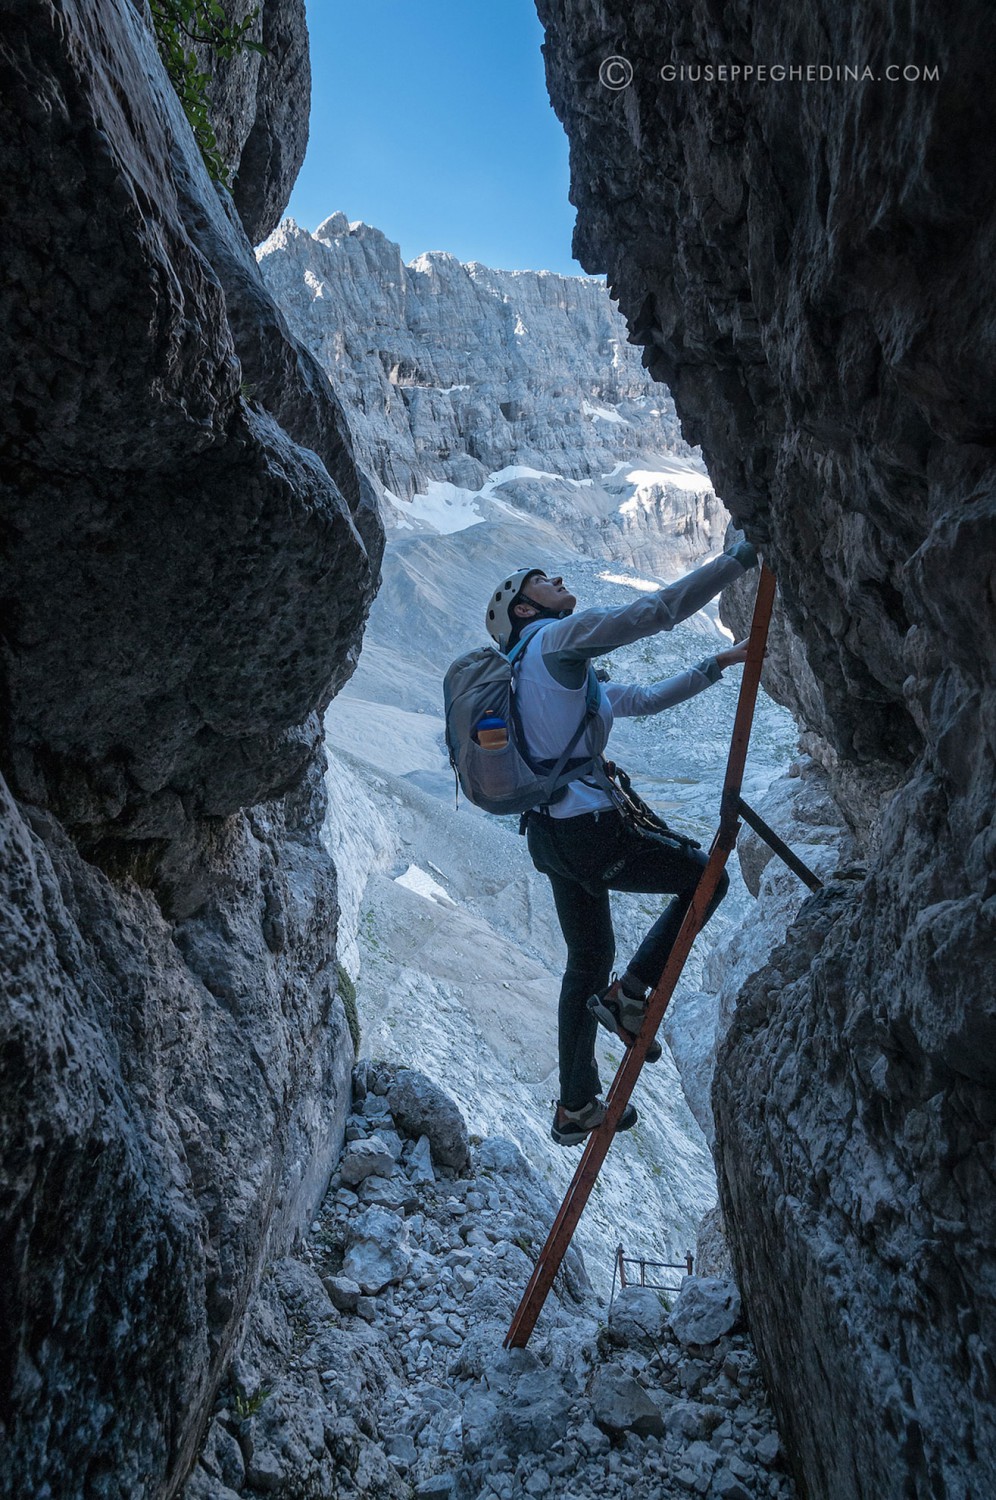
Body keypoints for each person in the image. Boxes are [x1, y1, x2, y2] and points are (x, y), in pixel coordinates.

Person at [484, 543, 758, 1146]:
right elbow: (654, 613)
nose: (556, 577)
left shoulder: (538, 672)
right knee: (704, 877)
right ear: (527, 611)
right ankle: (631, 996)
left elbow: (638, 700)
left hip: (551, 839)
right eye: (542, 578)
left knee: (586, 959)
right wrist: (740, 558)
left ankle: (576, 1103)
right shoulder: (558, 642)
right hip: (589, 831)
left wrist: (718, 663)